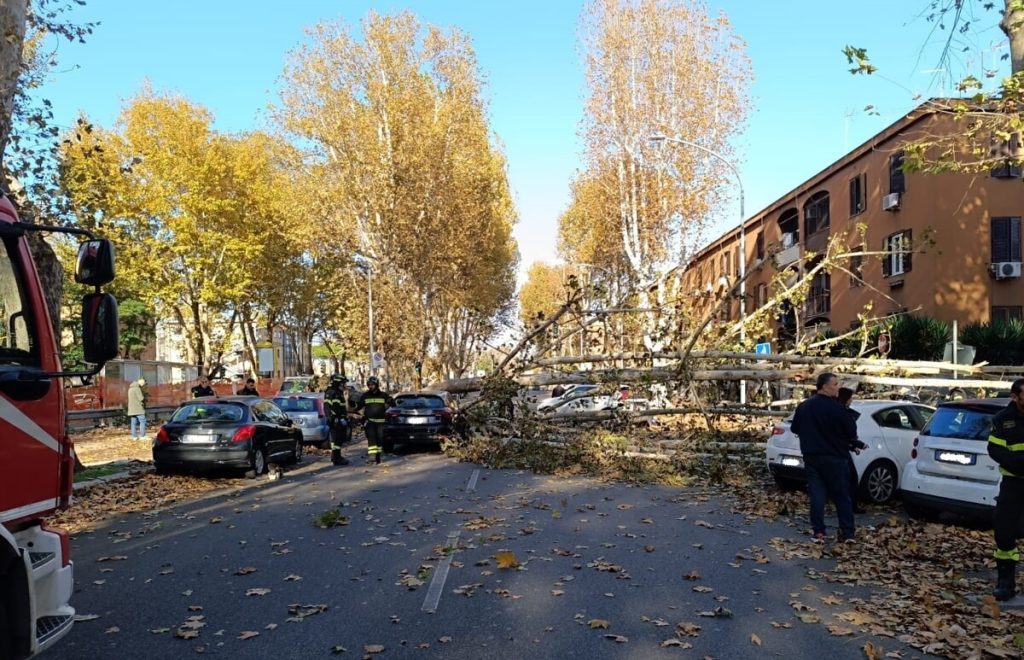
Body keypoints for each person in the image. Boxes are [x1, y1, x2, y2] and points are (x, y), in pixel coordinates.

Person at [790, 373, 864, 544]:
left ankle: (819, 532)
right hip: (835, 458)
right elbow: (851, 432)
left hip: (812, 456)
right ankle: (847, 533)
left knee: (817, 495)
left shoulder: (804, 407)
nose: (838, 387)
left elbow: (795, 428)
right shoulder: (838, 409)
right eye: (835, 384)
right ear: (824, 386)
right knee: (842, 495)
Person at [986, 377, 1024, 601]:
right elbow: (995, 449)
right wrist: (1019, 464)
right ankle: (1005, 583)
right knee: (1004, 531)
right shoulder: (1003, 420)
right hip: (1013, 483)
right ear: (1015, 397)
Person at [837, 387, 866, 514]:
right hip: (840, 451)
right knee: (852, 479)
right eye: (851, 398)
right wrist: (856, 444)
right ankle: (849, 508)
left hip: (835, 449)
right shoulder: (844, 414)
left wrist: (853, 446)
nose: (852, 400)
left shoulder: (836, 411)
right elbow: (846, 434)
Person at [354, 376, 394, 465]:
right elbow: (358, 406)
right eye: (369, 385)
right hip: (370, 422)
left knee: (379, 440)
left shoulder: (383, 395)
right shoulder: (365, 395)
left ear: (376, 385)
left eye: (372, 385)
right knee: (372, 439)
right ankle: (372, 457)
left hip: (380, 422)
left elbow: (392, 404)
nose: (370, 386)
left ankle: (378, 456)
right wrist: (353, 405)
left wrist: (391, 400)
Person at [323, 374, 351, 466]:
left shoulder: (337, 392)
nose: (344, 385)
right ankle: (337, 458)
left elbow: (341, 407)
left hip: (339, 419)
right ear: (338, 382)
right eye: (343, 383)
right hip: (335, 420)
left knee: (339, 439)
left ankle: (335, 456)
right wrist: (333, 418)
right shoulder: (332, 392)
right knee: (337, 439)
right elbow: (328, 407)